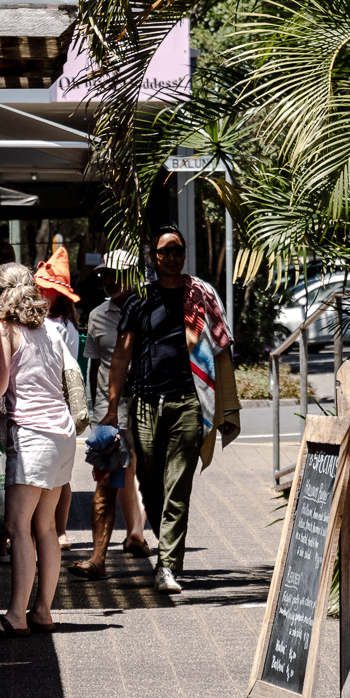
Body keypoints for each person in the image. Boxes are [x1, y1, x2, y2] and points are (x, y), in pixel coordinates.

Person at [103, 225, 240, 594]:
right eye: (165, 251)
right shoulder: (139, 301)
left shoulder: (200, 296)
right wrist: (112, 408)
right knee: (150, 485)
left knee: (178, 486)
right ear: (153, 256)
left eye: (178, 250)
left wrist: (225, 407)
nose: (172, 257)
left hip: (188, 402)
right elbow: (121, 357)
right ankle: (165, 550)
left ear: (183, 253)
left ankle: (167, 565)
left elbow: (220, 351)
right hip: (146, 402)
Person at [0, 264, 76, 636]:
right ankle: (42, 611)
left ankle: (16, 615)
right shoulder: (48, 326)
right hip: (62, 433)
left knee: (17, 526)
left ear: (0, 293)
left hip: (33, 436)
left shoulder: (5, 327)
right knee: (45, 527)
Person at [69, 251, 149, 579]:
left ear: (132, 276)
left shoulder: (151, 309)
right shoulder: (98, 315)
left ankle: (145, 541)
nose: (109, 280)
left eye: (116, 274)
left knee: (152, 480)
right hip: (109, 414)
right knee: (105, 483)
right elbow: (95, 366)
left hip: (147, 409)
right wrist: (97, 410)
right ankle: (98, 558)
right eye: (104, 274)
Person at [33, 247, 82, 550]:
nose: (40, 292)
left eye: (45, 289)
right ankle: (56, 531)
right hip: (55, 408)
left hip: (54, 406)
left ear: (58, 295)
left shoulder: (57, 327)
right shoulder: (65, 325)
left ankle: (57, 530)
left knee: (56, 477)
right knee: (58, 476)